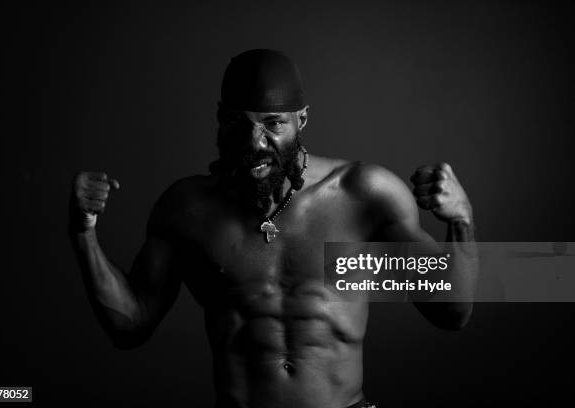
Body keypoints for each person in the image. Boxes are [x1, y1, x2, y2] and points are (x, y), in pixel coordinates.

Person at [69, 49, 478, 408]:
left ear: (302, 119)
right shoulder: (187, 209)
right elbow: (130, 325)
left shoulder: (363, 195)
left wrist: (461, 219)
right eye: (239, 122)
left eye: (273, 123)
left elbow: (451, 312)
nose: (255, 141)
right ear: (220, 119)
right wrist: (84, 233)